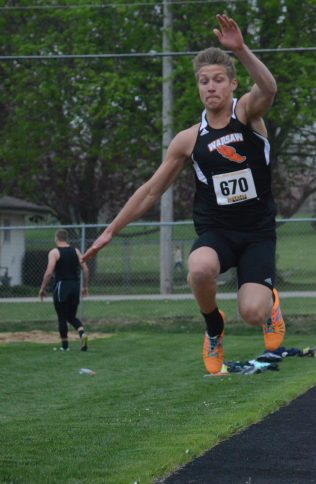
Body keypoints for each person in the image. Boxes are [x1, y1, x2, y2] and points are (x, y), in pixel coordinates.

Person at [82, 13, 285, 374]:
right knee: (199, 267)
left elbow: (269, 88)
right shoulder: (189, 140)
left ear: (233, 84)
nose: (211, 87)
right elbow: (150, 191)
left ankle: (269, 306)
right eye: (204, 81)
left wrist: (241, 49)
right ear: (198, 87)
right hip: (218, 230)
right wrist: (111, 231)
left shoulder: (248, 113)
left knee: (252, 312)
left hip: (257, 232)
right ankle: (213, 328)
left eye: (218, 80)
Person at [39, 229, 89, 352]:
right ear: (66, 239)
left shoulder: (54, 252)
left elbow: (49, 272)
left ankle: (65, 347)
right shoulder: (76, 251)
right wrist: (85, 287)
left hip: (62, 286)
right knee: (71, 316)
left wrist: (43, 288)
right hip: (75, 286)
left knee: (62, 316)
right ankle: (82, 333)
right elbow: (86, 270)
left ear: (56, 238)